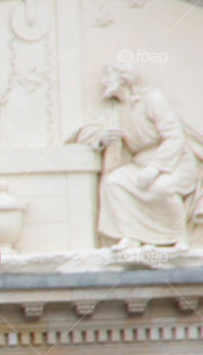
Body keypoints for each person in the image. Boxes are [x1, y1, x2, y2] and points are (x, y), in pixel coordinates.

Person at [75, 63, 203, 249]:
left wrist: (155, 168)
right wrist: (102, 135)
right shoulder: (115, 110)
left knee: (162, 188)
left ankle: (179, 238)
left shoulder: (151, 99)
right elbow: (85, 132)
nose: (103, 82)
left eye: (108, 77)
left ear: (123, 79)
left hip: (175, 162)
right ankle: (132, 235)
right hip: (140, 164)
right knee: (114, 182)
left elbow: (174, 136)